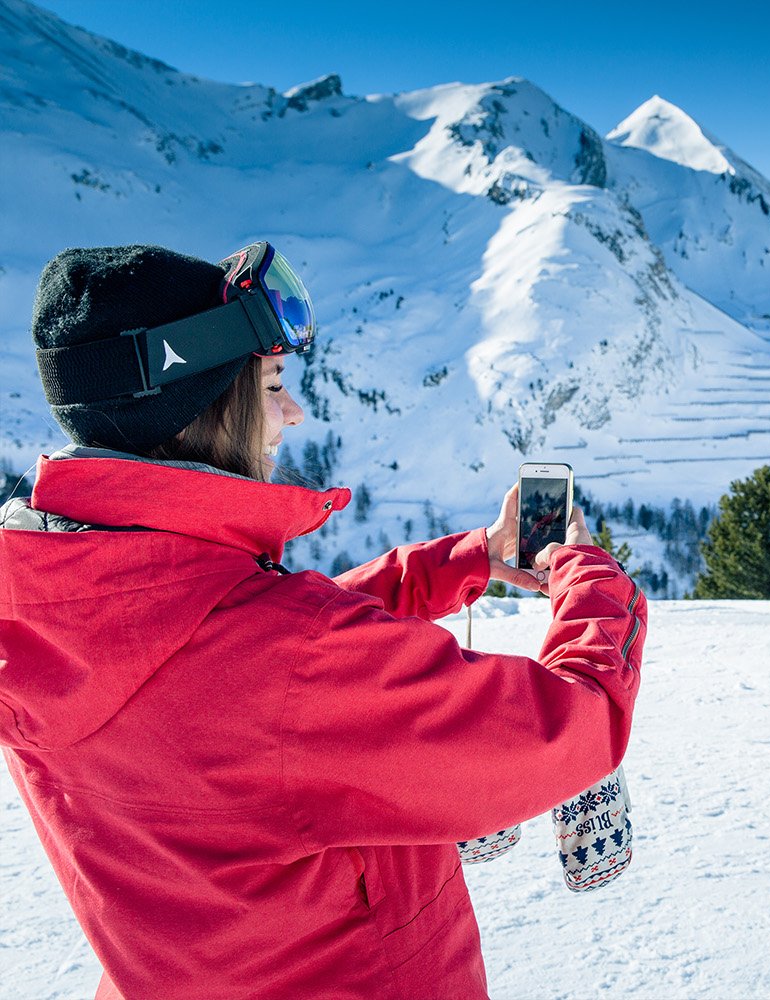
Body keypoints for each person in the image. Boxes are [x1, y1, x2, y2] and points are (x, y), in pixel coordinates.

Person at [0, 244, 646, 998]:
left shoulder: (48, 605)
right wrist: (588, 576)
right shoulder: (282, 662)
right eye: (270, 384)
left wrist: (452, 566)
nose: (292, 412)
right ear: (192, 409)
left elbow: (240, 659)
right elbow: (572, 724)